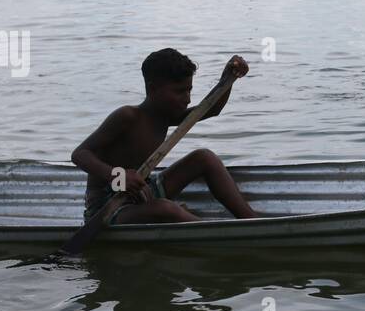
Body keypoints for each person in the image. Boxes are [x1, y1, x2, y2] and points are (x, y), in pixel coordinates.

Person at [71, 48, 258, 224]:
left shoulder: (166, 115)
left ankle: (252, 222)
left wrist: (227, 79)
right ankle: (218, 233)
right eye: (179, 91)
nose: (187, 98)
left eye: (189, 90)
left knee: (204, 157)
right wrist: (119, 177)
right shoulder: (127, 116)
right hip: (107, 208)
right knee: (166, 209)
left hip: (140, 193)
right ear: (153, 89)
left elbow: (211, 109)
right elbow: (80, 154)